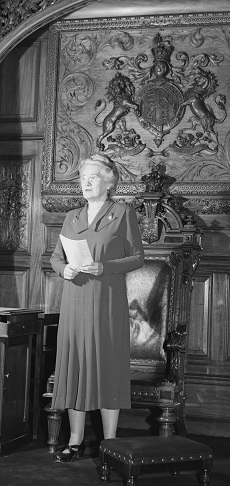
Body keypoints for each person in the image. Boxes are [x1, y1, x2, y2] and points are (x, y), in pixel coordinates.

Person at [50, 153, 144, 463]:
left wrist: (103, 266)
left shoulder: (122, 213)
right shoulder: (72, 216)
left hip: (106, 300)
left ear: (109, 182)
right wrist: (62, 269)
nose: (86, 183)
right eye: (82, 178)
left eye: (92, 177)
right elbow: (56, 257)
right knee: (75, 365)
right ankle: (75, 441)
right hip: (75, 300)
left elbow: (137, 258)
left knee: (106, 366)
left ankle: (111, 443)